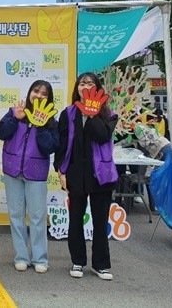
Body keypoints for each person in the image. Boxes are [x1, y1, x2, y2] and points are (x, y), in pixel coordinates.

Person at [54, 72, 118, 281]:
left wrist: (92, 113)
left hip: (101, 174)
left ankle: (101, 265)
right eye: (82, 83)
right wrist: (60, 171)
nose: (86, 86)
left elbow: (102, 136)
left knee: (100, 221)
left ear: (97, 88)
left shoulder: (109, 114)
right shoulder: (68, 113)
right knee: (75, 220)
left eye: (90, 83)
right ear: (77, 89)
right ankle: (78, 261)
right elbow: (62, 145)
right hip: (76, 173)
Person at [0, 80, 59, 273]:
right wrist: (15, 118)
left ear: (49, 98)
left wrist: (40, 126)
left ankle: (40, 258)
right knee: (16, 216)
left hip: (36, 173)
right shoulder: (16, 110)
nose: (39, 95)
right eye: (36, 91)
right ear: (29, 92)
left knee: (38, 217)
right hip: (12, 171)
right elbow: (2, 133)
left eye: (44, 93)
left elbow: (50, 147)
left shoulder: (51, 121)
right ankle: (21, 256)